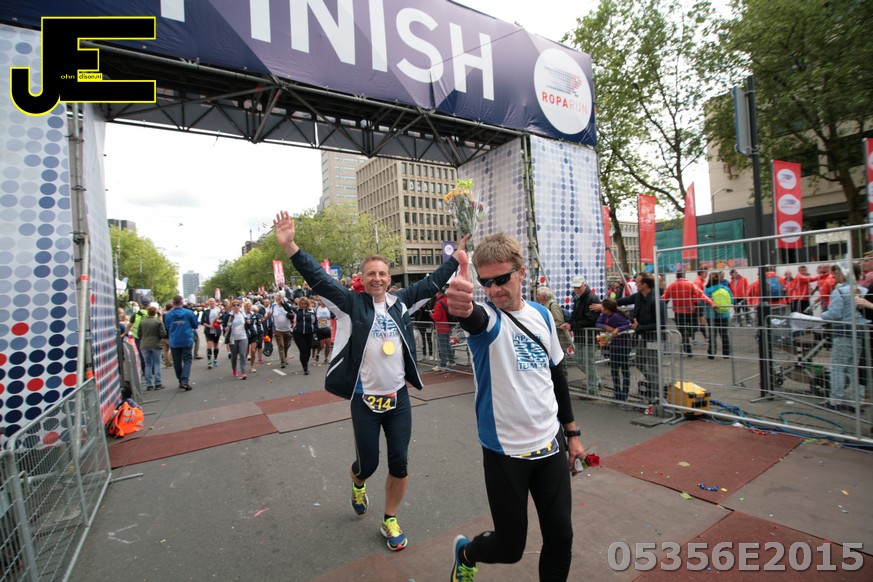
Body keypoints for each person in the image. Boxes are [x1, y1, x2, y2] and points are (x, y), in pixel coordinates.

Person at [273, 210, 466, 552]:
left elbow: (433, 282)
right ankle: (358, 482)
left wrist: (457, 256)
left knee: (400, 462)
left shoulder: (402, 303)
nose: (377, 278)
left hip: (398, 400)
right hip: (364, 401)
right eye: (371, 274)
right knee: (368, 464)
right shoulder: (349, 303)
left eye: (382, 273)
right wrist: (290, 247)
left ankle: (389, 518)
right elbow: (319, 278)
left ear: (389, 278)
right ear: (362, 279)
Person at [443, 232, 586, 581]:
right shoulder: (489, 321)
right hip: (505, 452)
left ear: (521, 272)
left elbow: (557, 375)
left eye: (502, 279)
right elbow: (473, 316)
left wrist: (572, 434)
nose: (494, 290)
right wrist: (463, 307)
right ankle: (466, 553)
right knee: (510, 548)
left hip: (550, 446)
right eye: (486, 283)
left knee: (561, 538)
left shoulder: (542, 315)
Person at [820, 263, 869, 411]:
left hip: (843, 332)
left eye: (836, 273)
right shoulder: (864, 290)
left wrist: (822, 315)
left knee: (837, 366)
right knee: (855, 368)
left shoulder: (839, 292)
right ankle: (856, 401)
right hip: (860, 333)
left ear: (845, 274)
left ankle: (835, 400)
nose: (834, 276)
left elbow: (834, 314)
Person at [661, 272, 713, 356]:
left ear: (676, 276)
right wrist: (711, 303)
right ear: (684, 276)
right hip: (690, 310)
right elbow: (701, 294)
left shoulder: (672, 286)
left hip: (678, 311)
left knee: (681, 330)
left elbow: (664, 297)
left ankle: (687, 348)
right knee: (693, 327)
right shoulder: (690, 284)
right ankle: (688, 335)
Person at [566, 275, 601, 392]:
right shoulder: (578, 298)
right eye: (575, 287)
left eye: (578, 287)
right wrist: (570, 323)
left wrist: (572, 325)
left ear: (584, 285)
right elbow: (575, 313)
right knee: (580, 359)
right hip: (581, 334)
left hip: (589, 336)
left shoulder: (592, 298)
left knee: (588, 362)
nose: (576, 290)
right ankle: (596, 381)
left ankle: (592, 388)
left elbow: (590, 319)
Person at [595, 298, 633, 407]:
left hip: (623, 346)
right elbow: (597, 323)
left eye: (602, 306)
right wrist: (606, 327)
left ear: (607, 309)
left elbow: (628, 324)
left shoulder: (616, 316)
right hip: (613, 346)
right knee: (614, 370)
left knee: (624, 370)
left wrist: (618, 329)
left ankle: (624, 394)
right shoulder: (604, 315)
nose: (601, 308)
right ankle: (617, 393)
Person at [163, 295, 199, 391]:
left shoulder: (168, 315)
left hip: (174, 340)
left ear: (173, 303)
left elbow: (167, 327)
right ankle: (184, 380)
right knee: (187, 360)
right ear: (182, 303)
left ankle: (180, 380)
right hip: (186, 339)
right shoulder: (188, 313)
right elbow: (195, 324)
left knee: (177, 361)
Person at [703, 272, 733, 359]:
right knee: (724, 334)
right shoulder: (726, 288)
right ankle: (726, 353)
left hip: (711, 315)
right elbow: (732, 301)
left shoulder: (707, 290)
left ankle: (711, 353)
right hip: (724, 314)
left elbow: (703, 302)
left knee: (712, 334)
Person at [536, 286, 572, 354]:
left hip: (558, 337)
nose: (537, 296)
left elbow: (559, 321)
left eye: (538, 295)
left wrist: (547, 326)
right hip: (553, 336)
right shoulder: (544, 305)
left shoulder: (552, 305)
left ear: (543, 296)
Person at [139, 303, 167, 390]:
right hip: (156, 344)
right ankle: (158, 383)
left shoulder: (142, 322)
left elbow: (139, 334)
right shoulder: (158, 322)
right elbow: (163, 334)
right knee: (157, 363)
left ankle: (149, 384)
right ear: (155, 313)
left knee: (148, 364)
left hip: (144, 344)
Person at [431, 290, 457, 372]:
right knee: (447, 345)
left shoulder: (438, 303)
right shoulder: (447, 300)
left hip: (441, 327)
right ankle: (452, 361)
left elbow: (437, 317)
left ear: (438, 293)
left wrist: (432, 315)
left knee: (442, 346)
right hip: (448, 326)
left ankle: (443, 364)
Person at [291, 297, 318, 376]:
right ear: (299, 304)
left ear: (307, 304)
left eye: (305, 304)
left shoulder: (312, 311)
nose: (303, 305)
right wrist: (281, 300)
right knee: (303, 350)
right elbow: (287, 307)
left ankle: (305, 362)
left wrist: (315, 332)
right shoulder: (297, 310)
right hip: (298, 333)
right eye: (302, 304)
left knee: (308, 351)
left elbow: (315, 322)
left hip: (309, 333)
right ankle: (305, 367)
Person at [224, 300, 249, 379]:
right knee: (234, 355)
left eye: (237, 305)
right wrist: (226, 327)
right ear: (232, 307)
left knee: (242, 354)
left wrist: (248, 322)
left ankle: (243, 372)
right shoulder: (229, 316)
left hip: (243, 337)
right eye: (234, 305)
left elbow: (247, 324)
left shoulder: (242, 314)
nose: (236, 306)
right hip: (232, 338)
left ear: (240, 306)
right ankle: (234, 369)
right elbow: (224, 326)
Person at [270, 292, 295, 368]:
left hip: (287, 329)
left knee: (286, 345)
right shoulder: (273, 307)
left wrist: (290, 315)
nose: (279, 299)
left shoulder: (287, 306)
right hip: (278, 330)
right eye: (278, 298)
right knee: (281, 345)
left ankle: (285, 357)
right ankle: (283, 361)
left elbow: (293, 315)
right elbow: (269, 314)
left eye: (280, 298)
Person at [202, 297, 222, 369]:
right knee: (209, 345)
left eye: (213, 301)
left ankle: (215, 360)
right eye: (210, 302)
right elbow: (202, 322)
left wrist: (219, 322)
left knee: (216, 345)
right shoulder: (206, 311)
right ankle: (209, 361)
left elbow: (223, 319)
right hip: (208, 331)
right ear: (208, 303)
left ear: (215, 302)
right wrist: (209, 326)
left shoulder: (219, 310)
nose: (212, 303)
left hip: (217, 330)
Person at [314, 297, 334, 365]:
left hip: (327, 328)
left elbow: (333, 316)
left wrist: (334, 317)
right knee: (321, 345)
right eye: (322, 301)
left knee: (328, 344)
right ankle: (318, 353)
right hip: (320, 329)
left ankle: (326, 358)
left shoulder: (329, 308)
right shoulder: (317, 309)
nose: (323, 302)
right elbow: (315, 319)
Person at [245, 302, 264, 373]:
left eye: (249, 306)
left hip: (254, 334)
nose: (248, 307)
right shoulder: (242, 314)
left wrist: (261, 321)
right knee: (246, 352)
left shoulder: (254, 315)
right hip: (245, 335)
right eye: (247, 306)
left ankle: (252, 366)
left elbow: (259, 322)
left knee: (253, 351)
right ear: (245, 307)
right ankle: (243, 365)